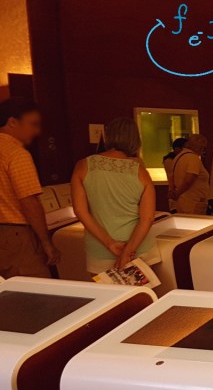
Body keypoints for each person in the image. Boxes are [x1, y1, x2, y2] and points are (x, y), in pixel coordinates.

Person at [71, 117, 158, 274]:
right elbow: (147, 218)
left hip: (99, 249)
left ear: (108, 136)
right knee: (141, 297)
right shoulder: (140, 171)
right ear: (136, 140)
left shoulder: (83, 165)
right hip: (138, 248)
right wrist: (127, 252)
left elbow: (80, 211)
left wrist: (109, 243)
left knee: (106, 298)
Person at [0, 97, 58, 277]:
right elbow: (29, 201)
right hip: (16, 235)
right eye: (33, 124)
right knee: (36, 293)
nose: (37, 131)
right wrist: (46, 243)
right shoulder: (17, 154)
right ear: (12, 122)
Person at [168, 134, 210, 215]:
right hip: (194, 202)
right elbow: (189, 180)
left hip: (181, 201)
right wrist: (177, 193)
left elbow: (171, 177)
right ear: (200, 146)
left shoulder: (178, 157)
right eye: (203, 147)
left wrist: (173, 192)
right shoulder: (193, 159)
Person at [162, 136, 187, 202]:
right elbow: (171, 177)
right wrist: (173, 191)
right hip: (176, 193)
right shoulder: (170, 160)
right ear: (177, 149)